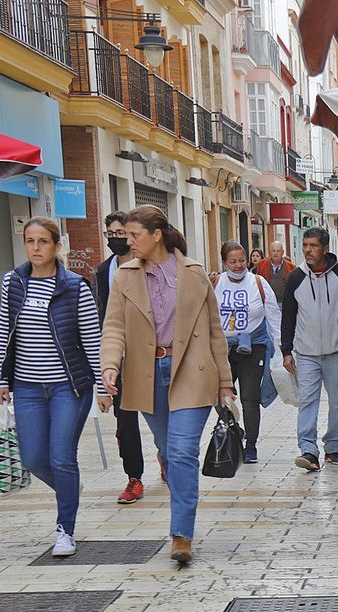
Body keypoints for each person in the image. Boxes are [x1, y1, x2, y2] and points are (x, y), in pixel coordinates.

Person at [100, 204, 233, 566]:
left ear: (156, 235)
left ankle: (181, 534)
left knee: (181, 452)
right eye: (125, 236)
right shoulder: (124, 277)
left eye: (134, 236)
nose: (128, 242)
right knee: (167, 448)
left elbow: (214, 331)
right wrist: (110, 365)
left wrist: (225, 383)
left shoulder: (193, 274)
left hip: (190, 368)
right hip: (147, 373)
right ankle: (180, 513)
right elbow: (113, 326)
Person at [0, 218, 108, 557]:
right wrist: (0, 377)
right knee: (33, 457)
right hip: (26, 387)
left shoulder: (75, 287)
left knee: (61, 456)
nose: (36, 247)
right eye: (30, 241)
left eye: (43, 241)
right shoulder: (13, 283)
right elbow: (4, 332)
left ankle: (65, 530)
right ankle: (69, 486)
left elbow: (92, 339)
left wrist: (101, 386)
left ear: (58, 246)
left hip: (68, 388)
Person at [280, 227, 338, 473]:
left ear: (325, 248)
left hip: (336, 351)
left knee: (337, 402)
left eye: (313, 245)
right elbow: (288, 316)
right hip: (306, 352)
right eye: (305, 245)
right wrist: (287, 350)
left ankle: (333, 447)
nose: (307, 250)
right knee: (308, 401)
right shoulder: (296, 277)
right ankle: (308, 450)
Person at [92, 211, 152, 505]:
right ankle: (134, 477)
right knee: (125, 422)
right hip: (120, 357)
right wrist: (104, 367)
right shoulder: (102, 272)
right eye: (111, 234)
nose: (116, 239)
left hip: (151, 355)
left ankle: (166, 455)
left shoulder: (148, 266)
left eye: (121, 233)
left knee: (159, 417)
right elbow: (100, 319)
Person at [214, 241, 279, 464]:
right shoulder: (216, 283)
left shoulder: (258, 283)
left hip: (254, 347)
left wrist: (283, 350)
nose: (239, 265)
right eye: (233, 261)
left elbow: (273, 316)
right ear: (224, 262)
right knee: (216, 395)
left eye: (242, 260)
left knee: (249, 398)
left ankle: (251, 444)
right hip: (224, 349)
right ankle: (235, 428)